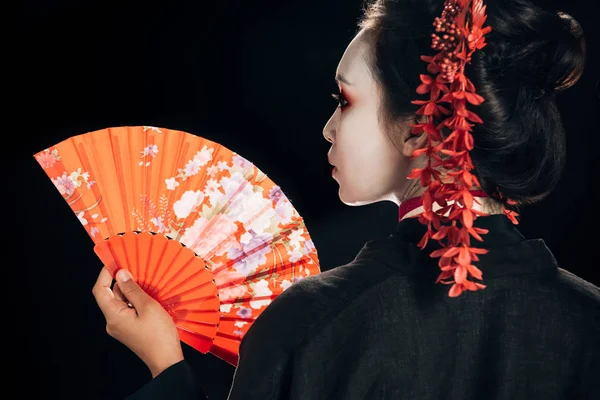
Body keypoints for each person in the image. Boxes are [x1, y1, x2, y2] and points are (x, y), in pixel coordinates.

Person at [92, 0, 599, 398]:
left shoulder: (313, 321)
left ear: (422, 129)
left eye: (345, 100)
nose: (327, 128)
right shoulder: (588, 320)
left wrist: (166, 366)